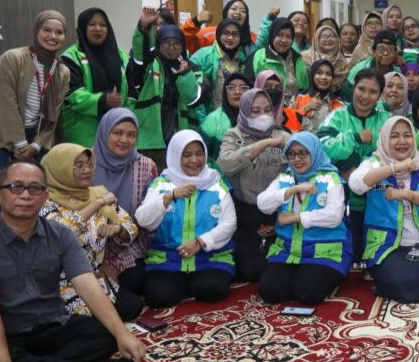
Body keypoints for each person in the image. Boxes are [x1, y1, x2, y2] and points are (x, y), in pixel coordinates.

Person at [0, 162, 145, 362]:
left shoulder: (60, 234)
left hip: (52, 327)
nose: (26, 195)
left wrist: (122, 333)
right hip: (3, 336)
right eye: (16, 187)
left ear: (45, 196)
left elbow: (88, 286)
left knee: (107, 332)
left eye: (35, 188)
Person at [0, 10, 70, 226]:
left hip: (33, 139)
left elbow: (53, 115)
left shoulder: (62, 71)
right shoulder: (12, 58)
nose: (53, 36)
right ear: (36, 31)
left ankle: (23, 244)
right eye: (47, 30)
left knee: (32, 198)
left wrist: (35, 145)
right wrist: (19, 143)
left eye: (59, 32)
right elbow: (4, 104)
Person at [348, 116, 419, 302]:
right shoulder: (374, 162)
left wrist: (407, 195)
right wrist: (394, 167)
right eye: (394, 136)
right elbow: (356, 184)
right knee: (398, 280)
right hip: (386, 245)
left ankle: (394, 287)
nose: (402, 141)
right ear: (384, 139)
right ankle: (395, 285)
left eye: (407, 135)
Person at [135, 131, 235, 308]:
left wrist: (201, 242)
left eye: (199, 153)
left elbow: (229, 223)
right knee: (159, 296)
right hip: (168, 259)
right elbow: (143, 220)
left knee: (211, 290)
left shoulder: (216, 182)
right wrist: (169, 197)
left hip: (208, 258)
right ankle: (181, 284)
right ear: (175, 156)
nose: (194, 160)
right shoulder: (161, 184)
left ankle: (190, 284)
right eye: (187, 155)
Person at [40, 144, 142, 320]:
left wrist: (118, 229)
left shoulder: (96, 193)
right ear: (59, 169)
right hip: (64, 285)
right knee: (94, 324)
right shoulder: (46, 202)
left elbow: (131, 228)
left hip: (96, 280)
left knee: (133, 307)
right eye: (78, 165)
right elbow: (63, 234)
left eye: (89, 164)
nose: (87, 170)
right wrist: (97, 204)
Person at [256, 132, 350, 304]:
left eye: (303, 153)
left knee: (307, 293)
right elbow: (263, 203)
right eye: (291, 154)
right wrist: (292, 190)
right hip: (288, 250)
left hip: (324, 252)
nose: (297, 159)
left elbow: (334, 216)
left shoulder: (330, 178)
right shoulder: (285, 178)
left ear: (314, 152)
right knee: (270, 292)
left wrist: (295, 217)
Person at [318, 69, 391, 261]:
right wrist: (355, 138)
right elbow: (322, 148)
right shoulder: (337, 116)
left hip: (379, 194)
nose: (365, 96)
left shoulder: (387, 119)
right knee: (351, 255)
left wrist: (358, 166)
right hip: (344, 197)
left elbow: (397, 154)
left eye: (373, 92)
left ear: (379, 95)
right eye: (361, 89)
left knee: (377, 253)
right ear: (353, 88)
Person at [217, 89, 290, 282]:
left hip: (276, 213)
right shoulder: (233, 135)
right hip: (245, 213)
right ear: (244, 111)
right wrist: (259, 146)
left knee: (273, 269)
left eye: (267, 110)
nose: (263, 116)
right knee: (248, 271)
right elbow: (224, 165)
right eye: (255, 111)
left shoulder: (283, 137)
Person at [92, 108, 158, 306]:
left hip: (132, 241)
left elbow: (150, 215)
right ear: (105, 132)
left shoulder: (145, 166)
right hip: (92, 246)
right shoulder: (87, 164)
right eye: (117, 133)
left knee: (137, 281)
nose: (124, 140)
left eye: (131, 135)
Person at [128, 11, 209, 170]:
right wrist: (143, 28)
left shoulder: (191, 68)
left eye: (176, 43)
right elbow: (140, 56)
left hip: (182, 138)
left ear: (183, 46)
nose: (171, 47)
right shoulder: (150, 65)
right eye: (166, 43)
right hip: (151, 140)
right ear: (159, 43)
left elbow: (193, 98)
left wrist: (184, 75)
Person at [60, 7, 130, 147]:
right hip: (83, 134)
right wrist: (104, 100)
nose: (98, 28)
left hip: (116, 130)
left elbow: (129, 86)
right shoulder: (70, 57)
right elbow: (74, 95)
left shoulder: (120, 55)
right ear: (82, 28)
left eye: (103, 25)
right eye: (92, 24)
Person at [189, 17, 248, 114]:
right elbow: (193, 92)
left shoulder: (244, 58)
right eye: (226, 33)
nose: (230, 38)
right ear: (219, 34)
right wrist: (203, 119)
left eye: (235, 34)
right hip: (211, 117)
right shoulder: (202, 56)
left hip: (237, 117)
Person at [247, 17, 310, 101]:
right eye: (280, 35)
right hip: (266, 105)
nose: (284, 40)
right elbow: (250, 88)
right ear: (272, 35)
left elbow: (304, 88)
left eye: (289, 36)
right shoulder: (258, 56)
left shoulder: (298, 59)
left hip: (296, 107)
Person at [181, 0, 256, 55]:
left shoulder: (253, 38)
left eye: (243, 11)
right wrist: (197, 21)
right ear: (226, 12)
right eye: (234, 8)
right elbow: (182, 39)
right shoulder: (209, 34)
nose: (238, 12)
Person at [343, 29, 401, 101]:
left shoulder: (398, 71)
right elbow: (347, 97)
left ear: (395, 53)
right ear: (374, 51)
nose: (386, 53)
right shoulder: (359, 70)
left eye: (391, 49)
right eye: (381, 49)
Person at [293, 59, 344, 132]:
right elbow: (288, 125)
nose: (324, 77)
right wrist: (306, 108)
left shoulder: (338, 104)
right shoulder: (298, 98)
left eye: (328, 74)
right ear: (312, 75)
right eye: (319, 73)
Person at [303, 24, 350, 93]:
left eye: (332, 36)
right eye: (324, 36)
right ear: (317, 39)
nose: (328, 39)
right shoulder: (304, 57)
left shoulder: (342, 61)